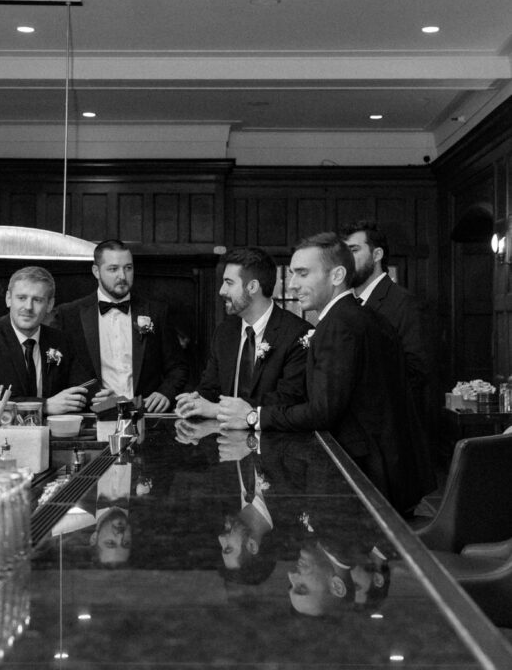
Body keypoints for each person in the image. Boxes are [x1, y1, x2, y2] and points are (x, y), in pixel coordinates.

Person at [217, 232, 434, 515]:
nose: (293, 284)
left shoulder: (339, 325)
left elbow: (322, 412)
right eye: (292, 274)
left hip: (371, 476)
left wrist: (252, 416)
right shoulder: (361, 315)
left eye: (303, 273)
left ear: (337, 275)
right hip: (395, 468)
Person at [176, 247, 307, 425]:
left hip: (273, 437)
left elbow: (289, 398)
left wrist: (218, 410)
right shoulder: (224, 332)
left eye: (229, 283)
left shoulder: (297, 334)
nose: (222, 291)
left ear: (252, 287)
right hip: (224, 436)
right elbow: (210, 387)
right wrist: (195, 400)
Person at [54, 239, 188, 413]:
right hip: (92, 416)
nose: (123, 276)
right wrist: (91, 395)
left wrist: (165, 393)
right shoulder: (69, 314)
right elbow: (59, 371)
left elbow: (178, 367)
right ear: (96, 271)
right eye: (113, 269)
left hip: (145, 415)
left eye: (128, 268)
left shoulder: (157, 312)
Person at [0, 265, 88, 414]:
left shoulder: (60, 340)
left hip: (54, 429)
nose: (28, 307)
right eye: (21, 298)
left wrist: (97, 398)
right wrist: (44, 405)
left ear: (49, 305)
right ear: (8, 299)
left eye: (37, 300)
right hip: (1, 428)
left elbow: (81, 388)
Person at [340, 218, 428, 412]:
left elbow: (417, 370)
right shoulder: (349, 303)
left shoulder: (403, 302)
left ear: (377, 254)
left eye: (354, 250)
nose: (346, 260)